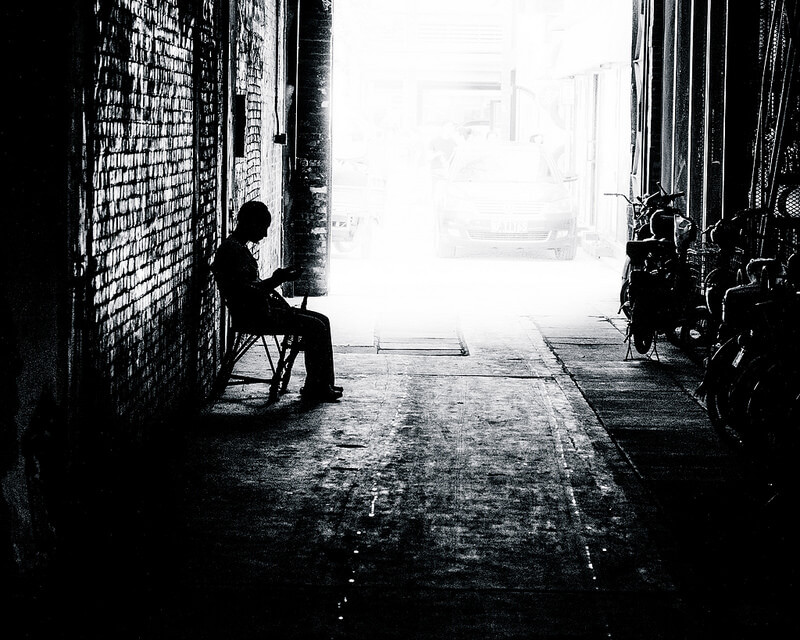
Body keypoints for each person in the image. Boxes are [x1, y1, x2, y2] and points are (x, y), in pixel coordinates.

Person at [211, 200, 342, 403]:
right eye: (262, 228)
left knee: (323, 320)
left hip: (259, 310)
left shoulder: (235, 247)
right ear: (251, 223)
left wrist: (278, 279)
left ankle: (321, 384)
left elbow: (249, 287)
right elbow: (246, 292)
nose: (264, 234)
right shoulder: (233, 251)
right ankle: (317, 388)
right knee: (316, 327)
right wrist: (276, 280)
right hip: (256, 316)